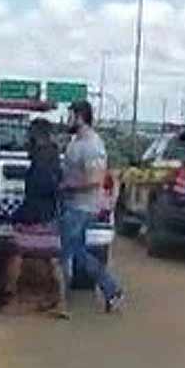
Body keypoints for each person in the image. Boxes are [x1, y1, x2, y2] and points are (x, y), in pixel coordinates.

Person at [0, 118, 70, 319]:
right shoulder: (54, 157)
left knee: (16, 254)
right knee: (52, 259)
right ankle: (60, 302)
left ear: (36, 136)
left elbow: (38, 189)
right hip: (49, 214)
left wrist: (18, 215)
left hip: (35, 216)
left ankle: (7, 300)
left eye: (30, 135)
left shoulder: (41, 160)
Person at [60, 100, 125, 313]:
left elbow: (96, 178)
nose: (67, 120)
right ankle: (111, 290)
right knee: (77, 253)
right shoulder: (76, 141)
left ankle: (60, 299)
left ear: (80, 117)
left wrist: (67, 185)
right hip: (74, 204)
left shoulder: (92, 145)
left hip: (82, 206)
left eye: (70, 115)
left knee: (67, 252)